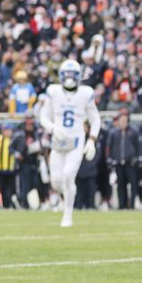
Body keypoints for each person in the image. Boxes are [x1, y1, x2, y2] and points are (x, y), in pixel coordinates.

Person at [38, 59, 101, 228]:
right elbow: (43, 116)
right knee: (56, 182)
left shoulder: (85, 94)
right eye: (67, 75)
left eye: (73, 75)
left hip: (76, 141)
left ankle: (68, 215)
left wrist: (92, 140)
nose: (70, 78)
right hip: (58, 142)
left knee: (68, 175)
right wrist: (52, 128)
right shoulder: (53, 92)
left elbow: (95, 120)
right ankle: (67, 196)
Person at [106, 109, 141, 209]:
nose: (123, 123)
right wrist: (110, 159)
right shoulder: (114, 133)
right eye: (121, 121)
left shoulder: (134, 132)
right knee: (121, 185)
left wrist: (138, 158)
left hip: (130, 162)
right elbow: (109, 147)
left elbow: (138, 146)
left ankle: (133, 205)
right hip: (118, 163)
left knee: (133, 185)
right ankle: (122, 205)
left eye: (125, 121)